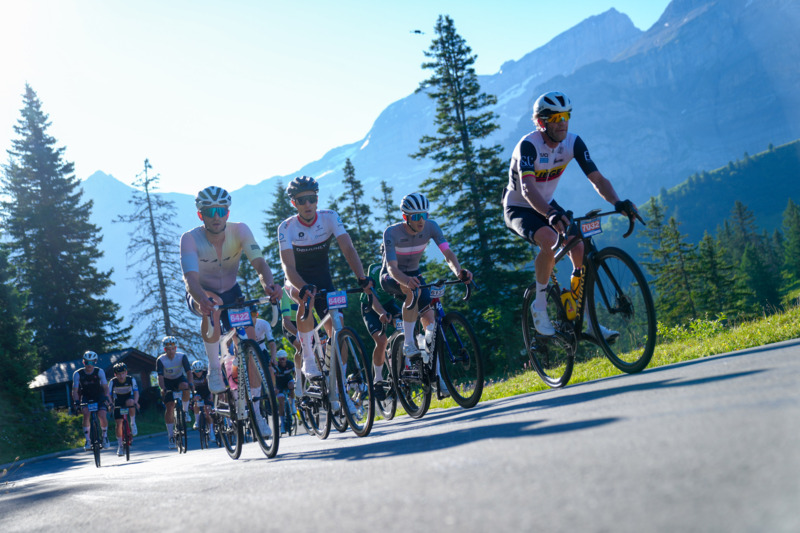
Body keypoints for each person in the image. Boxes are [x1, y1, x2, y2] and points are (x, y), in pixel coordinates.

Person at [503, 91, 636, 338]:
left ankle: (590, 323)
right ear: (542, 122)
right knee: (548, 240)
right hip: (519, 207)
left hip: (548, 203)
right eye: (556, 117)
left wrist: (618, 202)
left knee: (579, 248)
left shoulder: (573, 143)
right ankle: (540, 307)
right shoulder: (528, 145)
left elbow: (597, 179)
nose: (563, 122)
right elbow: (528, 189)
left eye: (566, 116)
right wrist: (551, 214)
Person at [277, 175, 372, 408]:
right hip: (296, 281)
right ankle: (308, 357)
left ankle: (338, 377)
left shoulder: (329, 218)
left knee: (337, 326)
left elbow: (348, 248)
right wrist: (302, 287)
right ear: (294, 203)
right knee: (304, 301)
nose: (307, 204)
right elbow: (288, 268)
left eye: (311, 199)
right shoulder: (287, 227)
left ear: (317, 199)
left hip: (323, 280)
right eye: (301, 200)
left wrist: (361, 277)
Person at [179, 186, 280, 395]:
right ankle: (214, 368)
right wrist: (201, 298)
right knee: (213, 305)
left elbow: (260, 263)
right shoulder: (189, 239)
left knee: (249, 343)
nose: (216, 217)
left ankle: (257, 408)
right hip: (201, 292)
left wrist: (269, 285)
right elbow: (190, 279)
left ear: (228, 213)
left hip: (232, 291)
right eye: (210, 212)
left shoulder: (240, 230)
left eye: (221, 211)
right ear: (201, 215)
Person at [380, 192, 472, 397]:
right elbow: (392, 269)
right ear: (406, 217)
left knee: (431, 323)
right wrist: (405, 281)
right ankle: (409, 345)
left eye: (424, 215)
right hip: (391, 276)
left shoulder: (431, 227)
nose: (421, 220)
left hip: (414, 274)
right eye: (415, 216)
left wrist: (459, 271)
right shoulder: (392, 233)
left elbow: (447, 252)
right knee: (411, 290)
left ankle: (436, 378)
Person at [360, 256, 400, 400]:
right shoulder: (375, 269)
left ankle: (396, 356)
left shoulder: (403, 266)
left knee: (406, 327)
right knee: (381, 340)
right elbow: (370, 295)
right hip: (370, 305)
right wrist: (382, 312)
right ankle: (377, 380)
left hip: (389, 302)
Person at [156, 336, 193, 449]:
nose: (171, 351)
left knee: (185, 386)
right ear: (165, 350)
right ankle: (171, 435)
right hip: (167, 382)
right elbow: (160, 376)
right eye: (168, 349)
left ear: (176, 348)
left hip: (179, 379)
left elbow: (188, 371)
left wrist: (191, 384)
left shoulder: (182, 356)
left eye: (173, 348)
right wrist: (163, 388)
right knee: (170, 406)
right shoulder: (161, 360)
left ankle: (185, 412)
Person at [71, 351, 110, 450]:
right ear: (84, 363)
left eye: (92, 362)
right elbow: (75, 391)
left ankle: (105, 437)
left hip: (99, 395)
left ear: (95, 362)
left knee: (102, 414)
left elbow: (105, 387)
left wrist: (106, 398)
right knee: (86, 414)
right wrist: (76, 401)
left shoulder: (99, 371)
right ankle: (88, 440)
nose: (89, 365)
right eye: (87, 362)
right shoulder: (77, 374)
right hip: (86, 396)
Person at [108, 362, 140, 456]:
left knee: (131, 402)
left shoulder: (131, 379)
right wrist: (110, 404)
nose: (121, 376)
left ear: (126, 372)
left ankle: (133, 423)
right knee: (118, 423)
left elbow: (136, 392)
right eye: (119, 374)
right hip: (117, 401)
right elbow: (109, 395)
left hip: (128, 399)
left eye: (123, 373)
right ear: (115, 375)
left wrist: (136, 402)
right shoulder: (113, 381)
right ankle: (120, 446)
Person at [271, 350, 296, 434]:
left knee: (292, 385)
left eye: (283, 358)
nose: (282, 360)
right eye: (280, 359)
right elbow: (273, 378)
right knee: (281, 401)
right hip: (279, 385)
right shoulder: (276, 367)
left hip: (288, 382)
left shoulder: (290, 364)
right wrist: (275, 388)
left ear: (286, 358)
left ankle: (293, 405)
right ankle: (282, 423)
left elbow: (295, 374)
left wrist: (297, 382)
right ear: (278, 359)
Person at [190, 359, 214, 441]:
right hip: (198, 393)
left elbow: (211, 384)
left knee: (208, 411)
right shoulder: (192, 376)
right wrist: (194, 396)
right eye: (196, 371)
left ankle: (212, 432)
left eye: (200, 371)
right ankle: (197, 421)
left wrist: (211, 394)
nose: (198, 372)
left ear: (202, 370)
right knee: (196, 404)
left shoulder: (206, 374)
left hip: (207, 391)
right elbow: (192, 387)